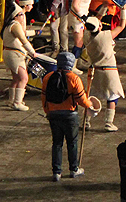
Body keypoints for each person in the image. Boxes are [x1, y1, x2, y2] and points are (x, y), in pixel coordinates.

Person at [42, 52, 95, 180]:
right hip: (70, 115)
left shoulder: (48, 77)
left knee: (57, 143)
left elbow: (44, 97)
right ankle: (74, 169)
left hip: (53, 114)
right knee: (72, 143)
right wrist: (90, 104)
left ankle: (56, 172)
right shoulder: (74, 78)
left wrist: (48, 111)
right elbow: (81, 100)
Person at [84, 14, 126, 131]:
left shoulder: (86, 37)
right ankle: (109, 123)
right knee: (112, 96)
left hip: (95, 71)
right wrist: (123, 10)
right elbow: (122, 25)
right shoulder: (106, 36)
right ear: (99, 26)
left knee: (91, 97)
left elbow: (94, 23)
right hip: (109, 70)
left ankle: (86, 121)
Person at [2, 4, 38, 111]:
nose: (23, 16)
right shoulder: (15, 25)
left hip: (10, 53)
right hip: (14, 55)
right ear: (15, 16)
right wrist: (33, 52)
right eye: (21, 14)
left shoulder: (10, 25)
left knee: (16, 79)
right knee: (23, 78)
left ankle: (11, 100)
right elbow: (23, 40)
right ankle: (17, 102)